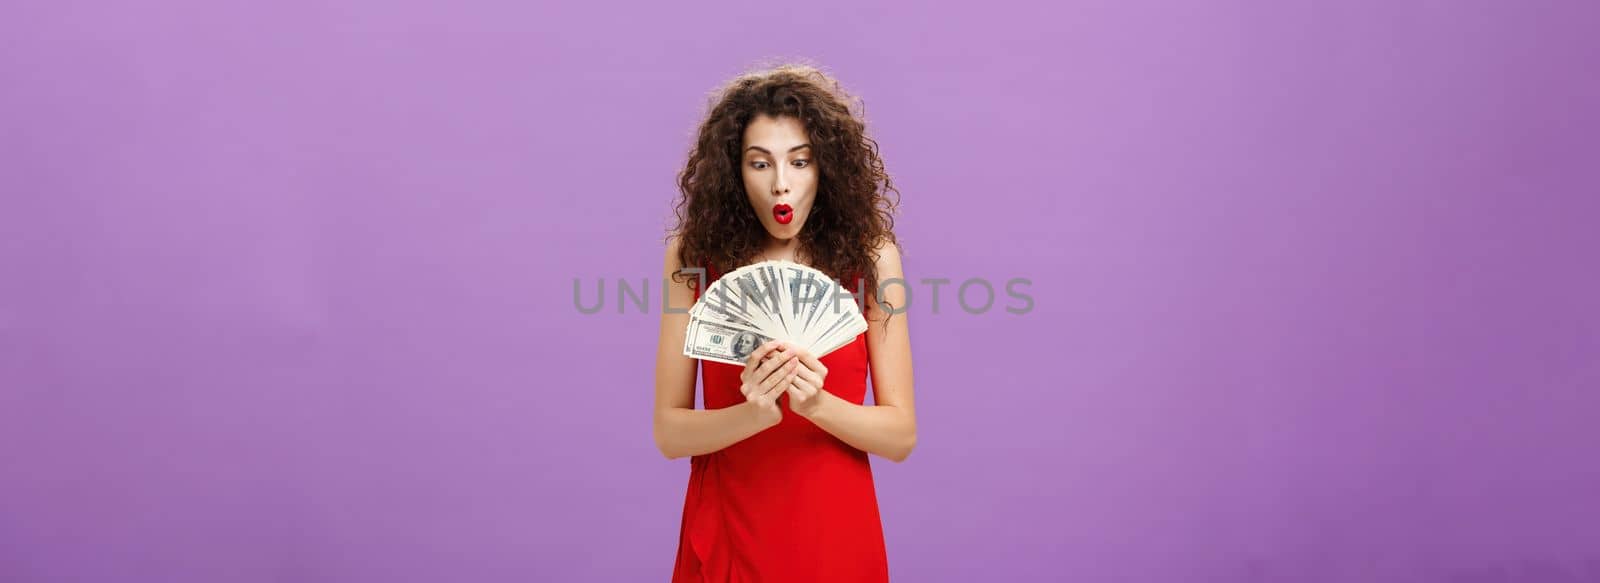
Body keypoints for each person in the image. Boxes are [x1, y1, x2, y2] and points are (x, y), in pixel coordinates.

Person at [653, 62, 918, 582]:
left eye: (800, 162)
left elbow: (900, 435)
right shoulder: (691, 258)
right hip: (730, 517)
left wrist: (815, 404)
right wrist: (754, 414)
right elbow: (669, 431)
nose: (781, 185)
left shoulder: (871, 257)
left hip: (834, 525)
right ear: (733, 171)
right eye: (759, 164)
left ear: (827, 167)